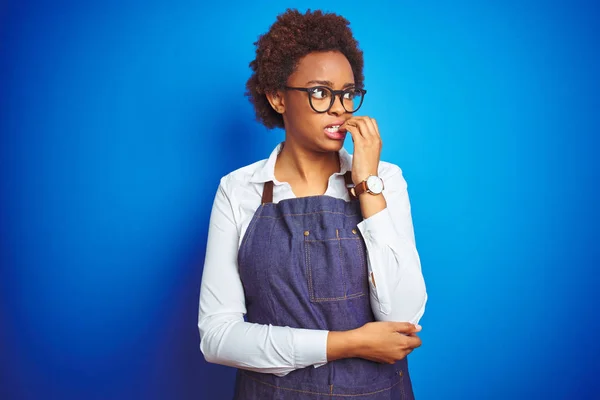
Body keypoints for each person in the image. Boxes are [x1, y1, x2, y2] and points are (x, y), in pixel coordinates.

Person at [198, 9, 427, 399]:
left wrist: (367, 185)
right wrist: (346, 343)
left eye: (348, 93)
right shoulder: (239, 190)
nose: (340, 107)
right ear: (277, 97)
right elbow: (218, 337)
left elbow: (402, 319)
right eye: (320, 92)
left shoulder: (384, 180)